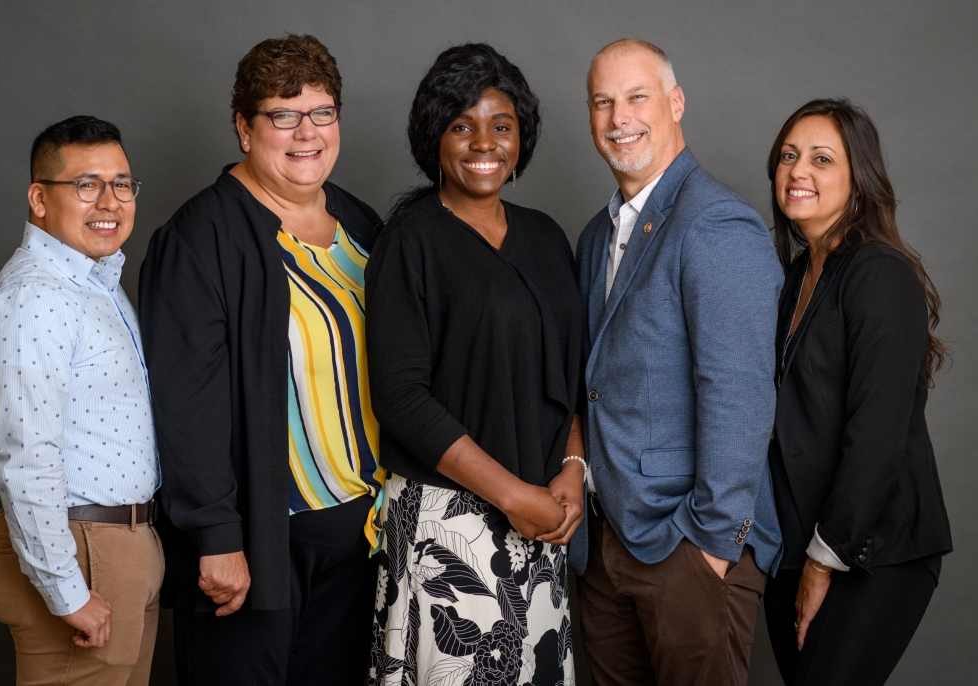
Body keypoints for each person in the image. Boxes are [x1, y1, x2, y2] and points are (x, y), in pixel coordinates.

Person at [138, 34, 384, 686]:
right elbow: (184, 401)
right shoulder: (201, 238)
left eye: (322, 112)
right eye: (283, 114)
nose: (307, 132)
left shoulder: (361, 227)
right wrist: (217, 535)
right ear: (245, 128)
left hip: (360, 538)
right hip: (255, 545)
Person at [365, 43, 585, 686]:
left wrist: (571, 470)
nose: (483, 142)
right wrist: (514, 495)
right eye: (462, 125)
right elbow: (402, 399)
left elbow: (568, 377)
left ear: (522, 139)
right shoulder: (410, 242)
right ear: (434, 137)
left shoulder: (547, 237)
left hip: (545, 521)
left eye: (501, 126)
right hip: (447, 528)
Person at [569, 38, 785, 686]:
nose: (618, 118)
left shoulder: (715, 223)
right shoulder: (596, 235)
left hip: (687, 547)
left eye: (637, 97)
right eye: (602, 102)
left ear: (675, 102)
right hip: (607, 549)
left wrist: (710, 548)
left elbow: (739, 395)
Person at [763, 98, 953, 686]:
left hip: (872, 550)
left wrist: (824, 561)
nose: (799, 172)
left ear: (858, 179)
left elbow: (877, 432)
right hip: (796, 547)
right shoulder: (796, 276)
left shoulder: (878, 272)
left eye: (822, 159)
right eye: (789, 156)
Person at [0, 115, 162, 685]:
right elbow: (25, 457)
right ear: (39, 198)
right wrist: (66, 590)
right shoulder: (35, 297)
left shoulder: (93, 283)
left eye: (121, 183)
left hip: (121, 549)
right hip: (81, 552)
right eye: (86, 184)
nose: (109, 200)